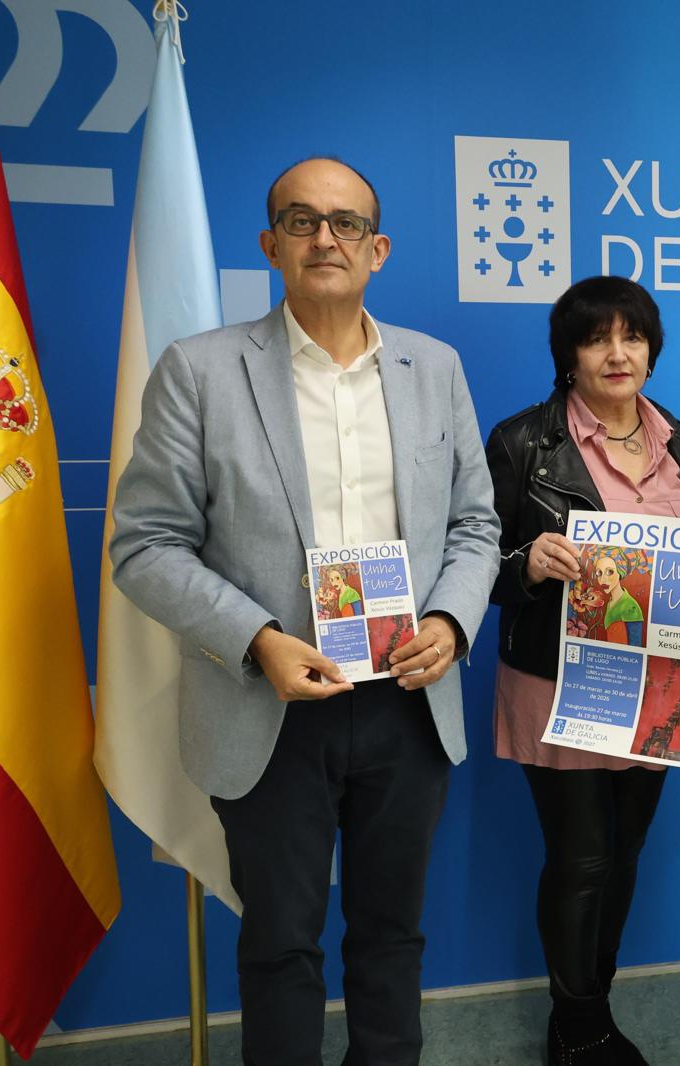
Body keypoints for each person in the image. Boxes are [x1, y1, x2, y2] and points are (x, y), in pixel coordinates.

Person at [109, 156, 500, 1065]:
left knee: (392, 935)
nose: (326, 238)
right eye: (302, 220)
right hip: (269, 703)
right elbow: (145, 544)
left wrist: (448, 623)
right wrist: (258, 640)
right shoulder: (200, 371)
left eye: (346, 222)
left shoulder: (434, 368)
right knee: (280, 945)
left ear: (378, 248)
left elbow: (476, 525)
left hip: (408, 700)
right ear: (271, 244)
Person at [485, 275, 680, 1066]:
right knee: (581, 859)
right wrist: (527, 563)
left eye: (632, 336)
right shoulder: (523, 442)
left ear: (651, 348)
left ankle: (589, 1008)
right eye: (596, 338)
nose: (617, 353)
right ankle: (580, 1029)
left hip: (661, 691)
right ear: (569, 355)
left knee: (624, 856)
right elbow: (471, 564)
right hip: (563, 686)